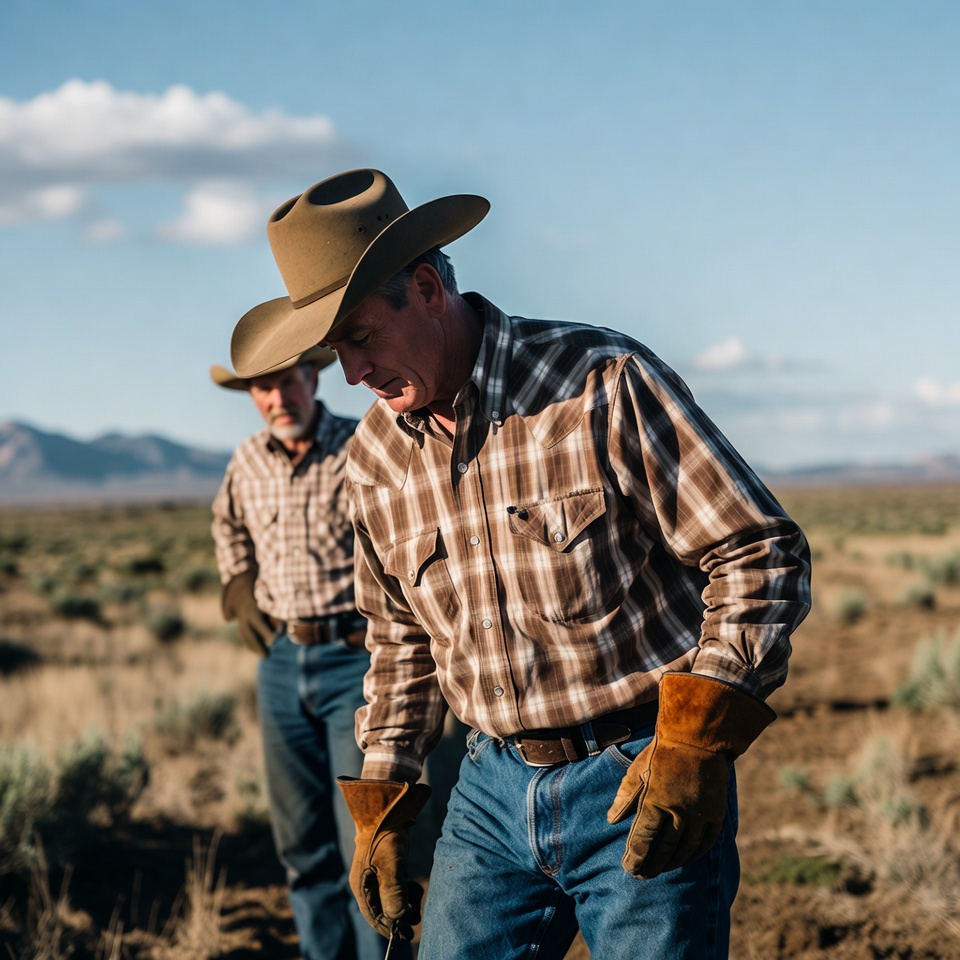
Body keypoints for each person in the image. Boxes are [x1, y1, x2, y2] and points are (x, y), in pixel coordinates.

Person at [228, 168, 813, 960]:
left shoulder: (599, 383)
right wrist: (384, 801)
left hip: (637, 775)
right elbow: (400, 641)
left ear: (427, 289)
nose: (353, 375)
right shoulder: (371, 458)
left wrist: (696, 739)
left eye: (360, 338)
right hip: (488, 791)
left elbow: (757, 551)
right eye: (336, 353)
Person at [209, 345, 410, 960]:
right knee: (300, 841)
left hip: (356, 660)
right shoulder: (247, 461)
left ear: (311, 379)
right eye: (262, 388)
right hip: (279, 664)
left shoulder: (362, 445)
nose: (277, 398)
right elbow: (227, 525)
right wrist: (238, 586)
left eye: (287, 382)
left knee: (366, 836)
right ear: (252, 397)